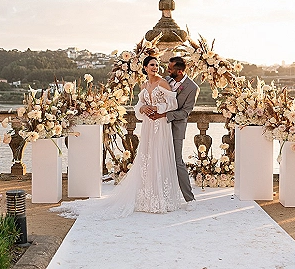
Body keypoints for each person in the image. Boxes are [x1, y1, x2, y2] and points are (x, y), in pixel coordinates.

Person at [52, 56, 182, 219]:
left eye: (157, 65)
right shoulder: (144, 85)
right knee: (146, 157)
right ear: (145, 67)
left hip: (160, 124)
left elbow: (173, 104)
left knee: (158, 156)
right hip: (148, 125)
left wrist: (155, 107)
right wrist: (143, 108)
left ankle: (160, 197)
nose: (155, 68)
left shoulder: (162, 83)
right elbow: (139, 105)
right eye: (152, 65)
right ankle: (146, 196)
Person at [150, 56, 199, 210]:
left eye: (170, 69)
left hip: (176, 128)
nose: (167, 70)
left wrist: (165, 115)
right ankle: (162, 195)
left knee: (177, 161)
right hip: (160, 126)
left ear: (179, 71)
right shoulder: (166, 80)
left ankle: (190, 199)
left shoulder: (192, 88)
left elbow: (185, 112)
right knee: (158, 159)